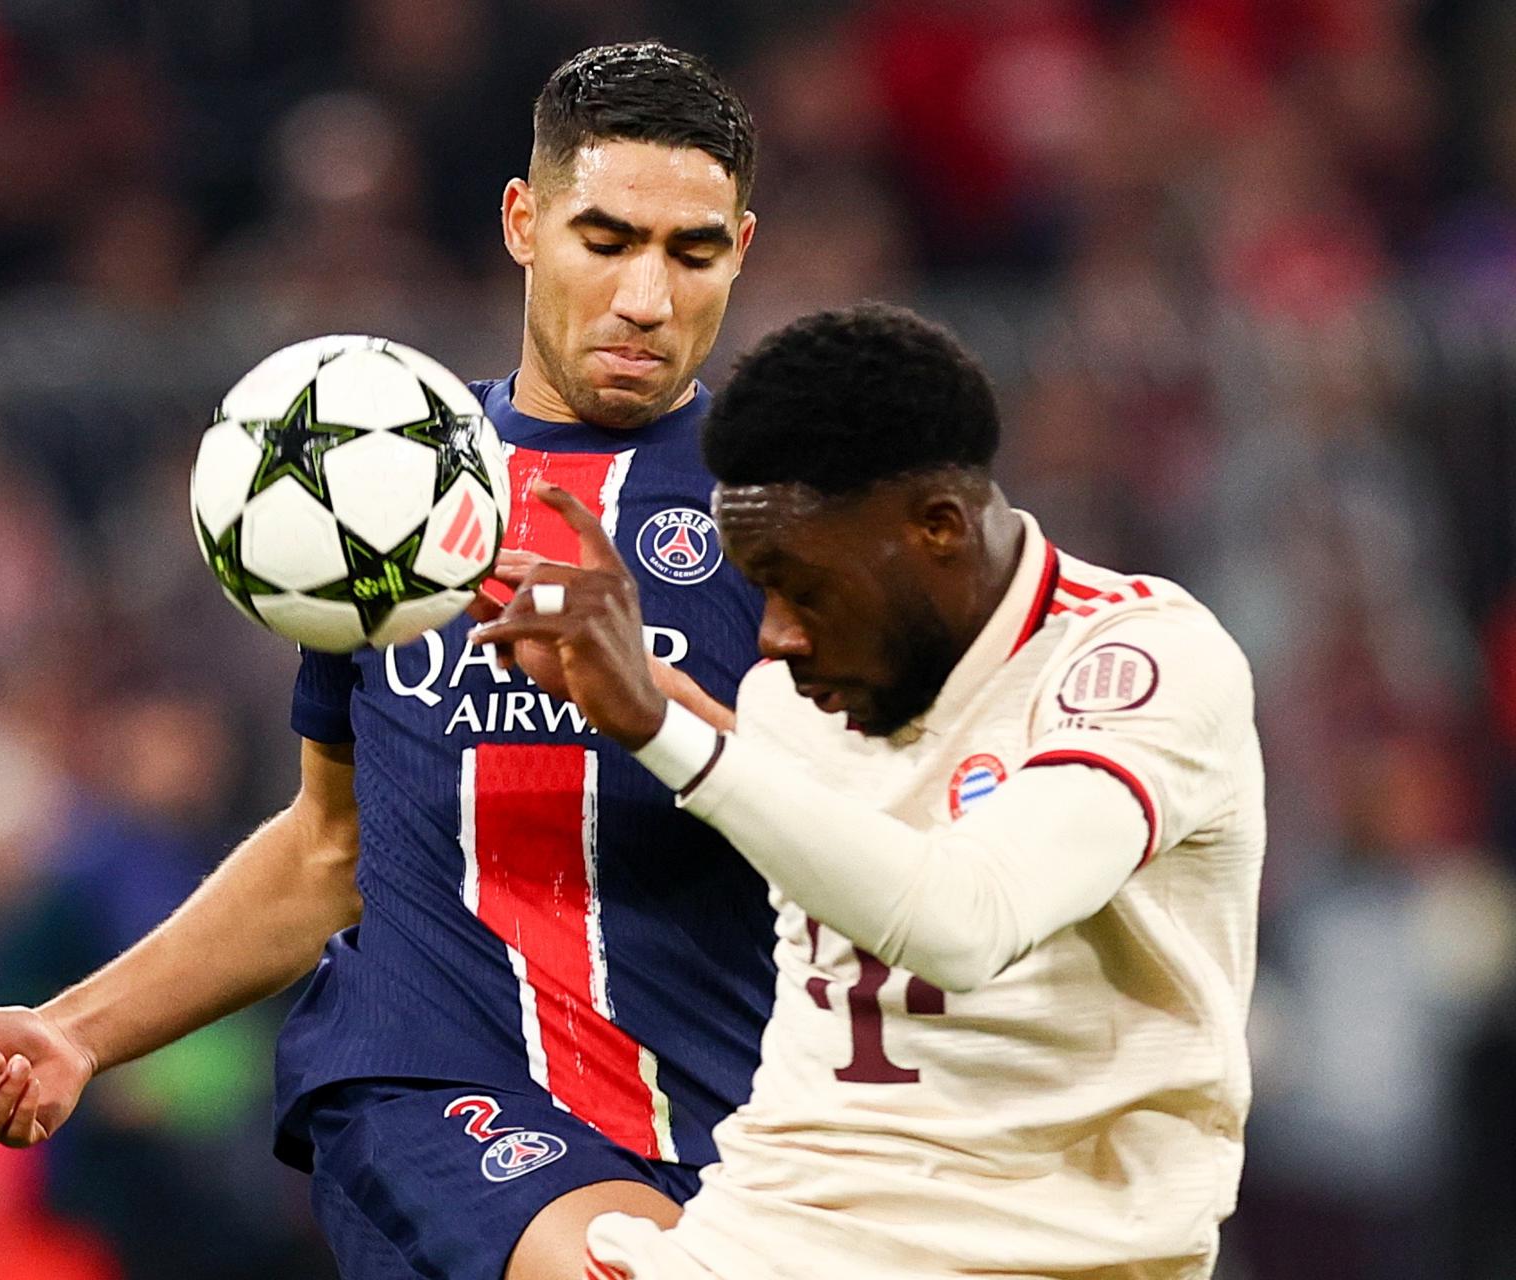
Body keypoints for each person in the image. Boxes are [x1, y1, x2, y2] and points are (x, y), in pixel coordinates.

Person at [0, 42, 779, 1280]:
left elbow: (877, 838)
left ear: (741, 250)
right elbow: (333, 845)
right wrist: (73, 1030)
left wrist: (661, 712)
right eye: (607, 239)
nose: (646, 294)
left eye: (690, 253)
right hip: (430, 1091)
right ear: (523, 223)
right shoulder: (390, 482)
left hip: (726, 1130)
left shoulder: (787, 524)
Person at [472, 303, 1266, 1279]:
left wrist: (661, 724)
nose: (772, 636)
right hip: (771, 1232)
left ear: (938, 526)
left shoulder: (1143, 663)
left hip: (1042, 1255)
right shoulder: (787, 700)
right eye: (757, 587)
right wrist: (651, 693)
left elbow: (967, 918)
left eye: (804, 587)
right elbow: (836, 819)